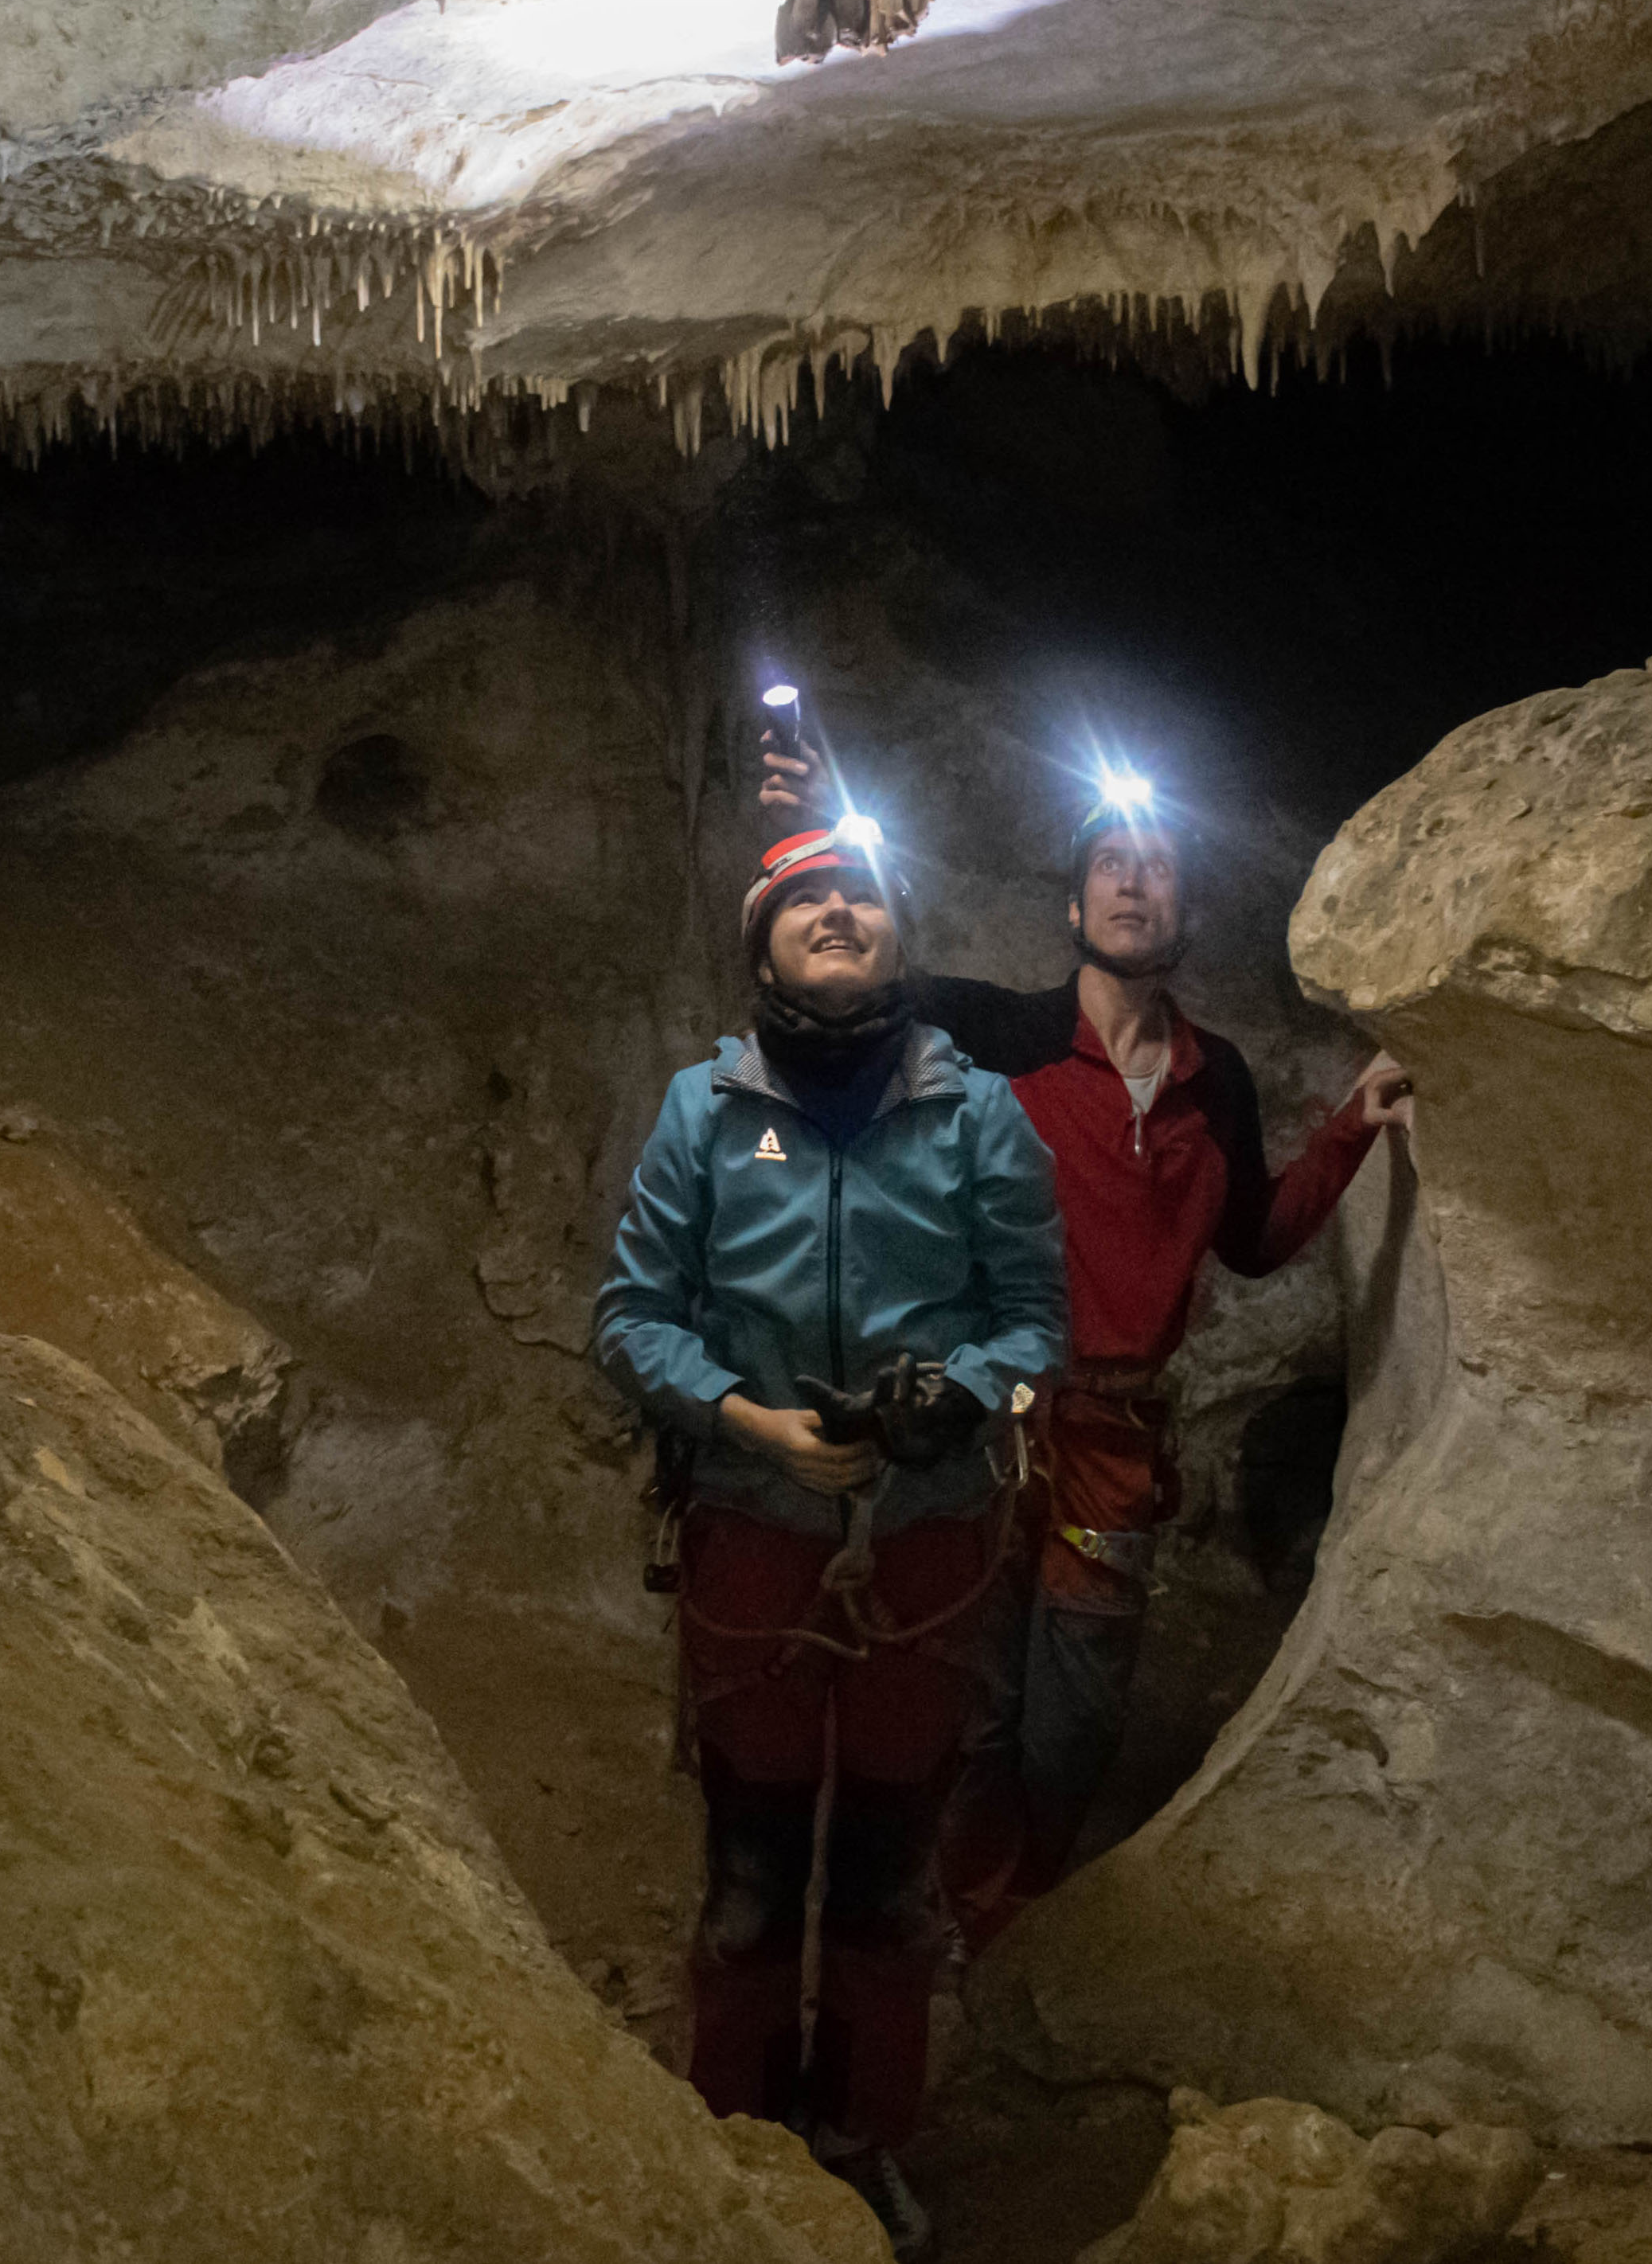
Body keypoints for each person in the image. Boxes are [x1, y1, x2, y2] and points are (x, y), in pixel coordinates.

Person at [763, 749, 1408, 1946]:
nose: (1132, 882)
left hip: (1112, 1436)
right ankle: (950, 1920)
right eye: (1109, 864)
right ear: (1073, 906)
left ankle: (1018, 1912)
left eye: (1156, 866)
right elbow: (852, 976)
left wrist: (1350, 1131)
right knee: (973, 1692)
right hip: (982, 1424)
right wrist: (810, 829)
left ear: (1184, 911)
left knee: (1077, 1713)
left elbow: (1256, 1240)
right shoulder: (998, 1035)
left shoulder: (1216, 1083)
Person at [594, 819, 1066, 2262]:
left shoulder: (980, 1114)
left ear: (900, 938)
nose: (839, 914)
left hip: (924, 1539)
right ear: (762, 945)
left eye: (861, 896)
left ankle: (862, 2140)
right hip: (757, 1534)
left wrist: (962, 1402)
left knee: (877, 1870)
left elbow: (1037, 1315)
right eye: (806, 901)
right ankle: (734, 2137)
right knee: (747, 1876)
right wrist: (750, 1421)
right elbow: (630, 1318)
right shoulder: (706, 1114)